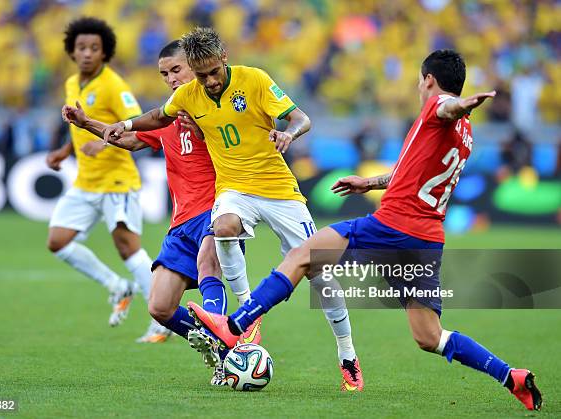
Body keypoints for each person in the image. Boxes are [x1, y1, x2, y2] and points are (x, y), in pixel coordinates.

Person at [188, 49, 543, 410]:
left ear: (429, 81)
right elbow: (410, 172)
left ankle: (234, 327)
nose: (421, 89)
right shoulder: (465, 135)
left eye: (421, 82)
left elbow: (445, 108)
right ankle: (509, 376)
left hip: (392, 226)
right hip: (427, 239)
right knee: (430, 336)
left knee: (303, 256)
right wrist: (370, 183)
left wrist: (461, 103)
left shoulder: (439, 109)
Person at [101, 27, 361, 392]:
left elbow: (301, 117)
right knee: (222, 226)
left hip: (278, 190)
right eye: (200, 74)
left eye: (212, 72)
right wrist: (123, 125)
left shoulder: (254, 80)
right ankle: (245, 314)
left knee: (318, 272)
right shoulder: (189, 95)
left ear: (224, 57)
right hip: (234, 189)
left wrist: (290, 134)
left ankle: (347, 353)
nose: (208, 81)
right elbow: (159, 117)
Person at [63, 40, 240, 385]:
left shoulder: (217, 106)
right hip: (181, 222)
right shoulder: (167, 115)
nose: (171, 79)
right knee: (159, 307)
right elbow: (131, 139)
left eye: (177, 70)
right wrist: (87, 123)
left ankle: (224, 351)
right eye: (164, 74)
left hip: (218, 210)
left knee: (208, 264)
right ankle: (225, 349)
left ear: (195, 66)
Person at [45, 17, 169, 340]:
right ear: (71, 51)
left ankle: (161, 320)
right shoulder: (73, 83)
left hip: (117, 180)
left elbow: (138, 124)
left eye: (94, 48)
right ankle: (116, 285)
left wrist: (103, 142)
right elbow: (78, 128)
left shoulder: (115, 85)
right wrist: (64, 151)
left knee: (128, 248)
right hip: (86, 182)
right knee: (57, 241)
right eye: (81, 47)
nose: (87, 53)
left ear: (105, 53)